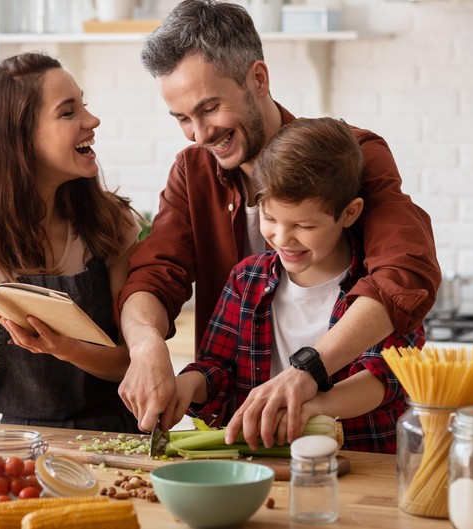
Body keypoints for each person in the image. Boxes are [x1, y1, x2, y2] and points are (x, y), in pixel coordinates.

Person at [115, 0, 441, 448]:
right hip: (248, 448)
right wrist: (147, 344)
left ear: (258, 78)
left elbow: (404, 273)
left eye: (209, 108)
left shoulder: (352, 155)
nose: (199, 133)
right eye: (182, 119)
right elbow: (154, 276)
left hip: (357, 445)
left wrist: (307, 373)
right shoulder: (193, 171)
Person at [0, 52, 142, 433]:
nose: (92, 120)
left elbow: (131, 363)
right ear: (19, 137)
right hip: (21, 447)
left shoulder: (110, 225)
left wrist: (63, 347)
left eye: (83, 105)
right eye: (68, 112)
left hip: (116, 438)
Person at [175, 118, 425, 453]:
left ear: (349, 213)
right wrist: (186, 385)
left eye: (304, 225)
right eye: (270, 218)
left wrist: (313, 407)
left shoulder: (378, 288)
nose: (281, 238)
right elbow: (217, 369)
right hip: (268, 468)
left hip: (364, 464)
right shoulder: (246, 279)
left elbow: (387, 377)